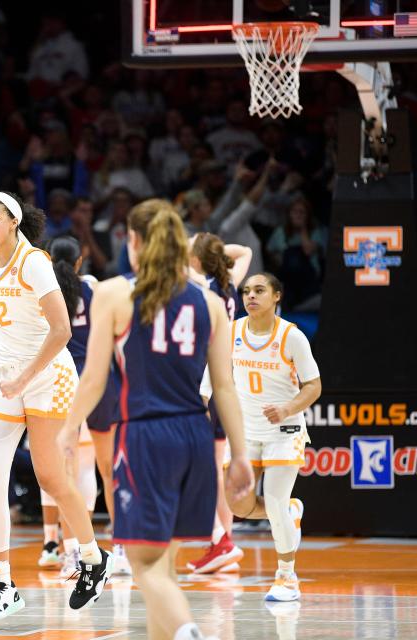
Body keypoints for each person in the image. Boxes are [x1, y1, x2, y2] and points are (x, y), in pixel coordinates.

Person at [61, 200, 254, 640]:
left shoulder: (113, 293)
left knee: (144, 564)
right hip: (196, 438)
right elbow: (225, 388)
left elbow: (93, 379)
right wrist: (240, 454)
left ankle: (188, 631)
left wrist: (68, 430)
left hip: (146, 435)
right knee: (163, 562)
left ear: (134, 241)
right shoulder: (209, 301)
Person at [0, 191, 113, 624]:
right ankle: (3, 584)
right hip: (6, 377)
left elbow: (63, 330)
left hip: (48, 375)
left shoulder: (35, 263)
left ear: (13, 222)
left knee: (51, 475)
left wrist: (24, 378)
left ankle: (92, 556)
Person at [220, 272, 322, 602]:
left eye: (259, 290)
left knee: (274, 500)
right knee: (238, 504)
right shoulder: (232, 331)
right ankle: (290, 513)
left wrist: (288, 408)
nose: (251, 296)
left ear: (276, 296)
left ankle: (286, 577)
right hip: (246, 431)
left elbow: (314, 386)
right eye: (247, 291)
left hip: (284, 430)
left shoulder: (292, 337)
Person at [41, 235, 125, 577]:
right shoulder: (95, 290)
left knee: (67, 473)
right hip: (99, 381)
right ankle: (120, 549)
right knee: (109, 470)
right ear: (81, 260)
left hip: (63, 383)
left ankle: (72, 553)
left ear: (47, 259)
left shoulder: (44, 294)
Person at [186, 233, 252, 574]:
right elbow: (246, 249)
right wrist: (215, 249)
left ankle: (220, 540)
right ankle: (222, 540)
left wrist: (202, 251)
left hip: (206, 383)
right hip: (228, 380)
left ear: (197, 260)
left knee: (204, 468)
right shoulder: (228, 283)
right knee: (215, 465)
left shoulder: (199, 286)